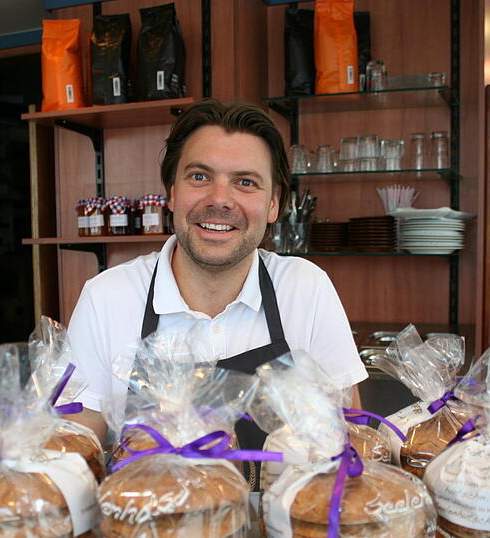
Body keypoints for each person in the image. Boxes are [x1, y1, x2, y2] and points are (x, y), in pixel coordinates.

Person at [62, 99, 367, 452]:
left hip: (284, 491)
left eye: (245, 182)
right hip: (148, 491)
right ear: (172, 193)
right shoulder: (107, 297)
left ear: (273, 204)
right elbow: (75, 444)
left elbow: (351, 437)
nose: (220, 199)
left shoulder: (305, 288)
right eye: (199, 177)